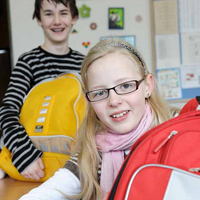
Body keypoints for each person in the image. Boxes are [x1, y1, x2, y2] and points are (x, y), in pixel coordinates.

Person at [19, 38, 177, 200]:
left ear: (147, 86)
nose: (114, 101)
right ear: (89, 101)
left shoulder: (179, 134)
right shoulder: (92, 154)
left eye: (126, 86)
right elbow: (47, 193)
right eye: (100, 93)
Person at [0, 0, 85, 181]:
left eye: (63, 13)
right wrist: (24, 154)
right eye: (48, 14)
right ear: (39, 19)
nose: (56, 21)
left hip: (75, 166)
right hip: (34, 165)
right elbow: (8, 110)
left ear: (74, 18)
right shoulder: (28, 62)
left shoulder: (85, 65)